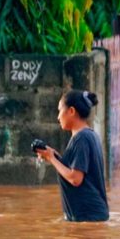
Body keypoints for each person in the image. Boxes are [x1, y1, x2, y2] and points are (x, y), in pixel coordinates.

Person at [35, 89, 109, 222]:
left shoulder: (81, 139)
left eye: (60, 111)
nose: (58, 117)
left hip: (88, 217)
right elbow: (76, 171)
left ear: (71, 111)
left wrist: (52, 158)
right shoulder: (89, 135)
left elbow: (76, 179)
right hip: (91, 216)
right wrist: (53, 156)